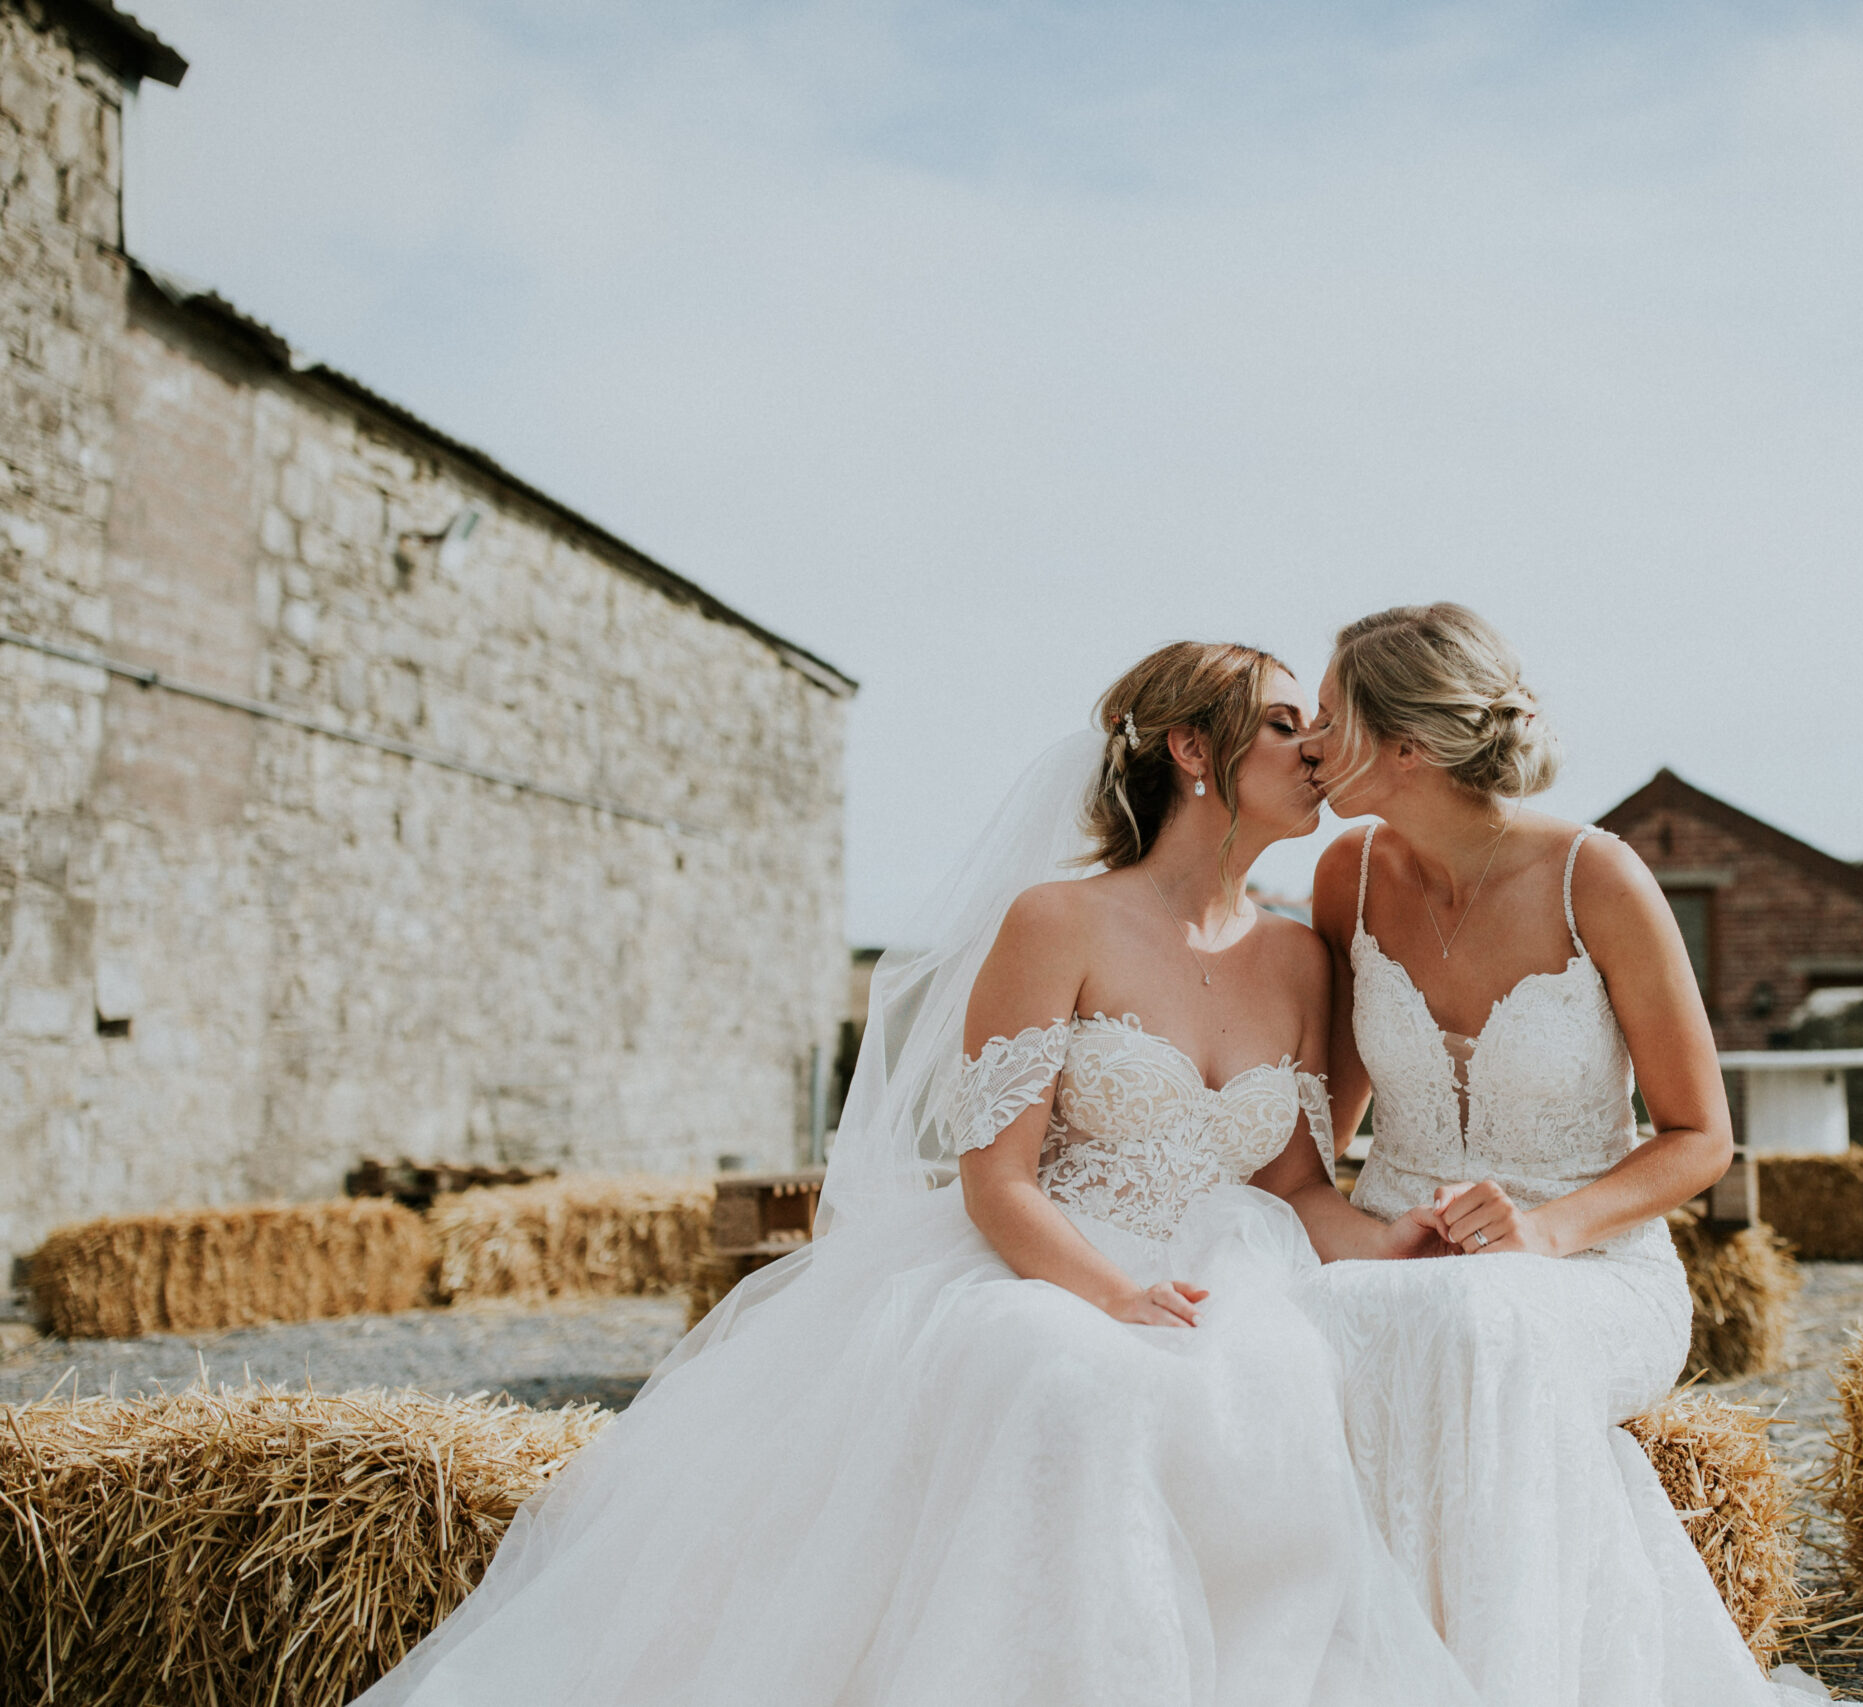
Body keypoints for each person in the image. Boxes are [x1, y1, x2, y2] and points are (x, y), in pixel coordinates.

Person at [352, 641, 1476, 1706]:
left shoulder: (1298, 955)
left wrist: (1396, 1239)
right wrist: (1111, 1297)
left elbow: (1293, 1188)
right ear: (1191, 748)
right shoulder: (1057, 921)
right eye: (1284, 725)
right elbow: (1000, 1180)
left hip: (1232, 1274)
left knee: (1276, 1390)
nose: (1318, 749)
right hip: (1050, 1262)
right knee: (1073, 1383)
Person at [1265, 603, 1838, 1706]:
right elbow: (1324, 1128)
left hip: (1587, 1269)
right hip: (1392, 1253)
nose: (1309, 743)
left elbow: (1699, 1137)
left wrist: (1543, 1232)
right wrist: (1354, 1235)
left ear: (1406, 747)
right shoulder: (1346, 875)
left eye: (1328, 717)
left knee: (1481, 1325)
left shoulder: (1600, 878)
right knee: (1287, 1333)